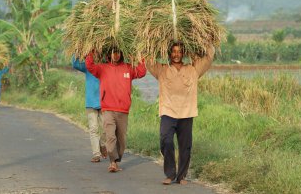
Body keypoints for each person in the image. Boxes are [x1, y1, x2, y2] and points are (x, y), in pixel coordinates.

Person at [146, 42, 215, 185]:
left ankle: (181, 176)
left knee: (185, 147)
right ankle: (170, 174)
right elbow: (147, 59)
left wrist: (206, 40)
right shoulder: (162, 70)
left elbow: (208, 57)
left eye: (179, 51)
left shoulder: (193, 70)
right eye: (173, 51)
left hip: (186, 112)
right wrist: (151, 42)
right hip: (168, 112)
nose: (176, 54)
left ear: (184, 53)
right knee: (166, 140)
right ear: (169, 53)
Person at [85, 48, 146, 172]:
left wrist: (140, 57)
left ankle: (117, 160)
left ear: (122, 53)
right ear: (109, 54)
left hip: (123, 110)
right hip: (108, 108)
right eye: (113, 52)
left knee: (121, 139)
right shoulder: (102, 68)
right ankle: (113, 162)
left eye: (118, 52)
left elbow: (142, 72)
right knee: (110, 136)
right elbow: (90, 66)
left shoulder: (128, 68)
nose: (116, 55)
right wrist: (92, 51)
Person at [72, 56, 107, 163]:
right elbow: (75, 64)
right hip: (91, 103)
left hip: (104, 102)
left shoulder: (105, 67)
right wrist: (76, 52)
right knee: (93, 129)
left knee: (107, 128)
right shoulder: (88, 67)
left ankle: (102, 144)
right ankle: (96, 154)